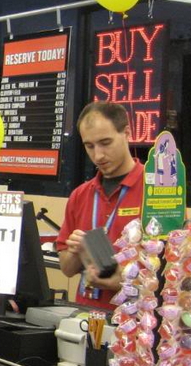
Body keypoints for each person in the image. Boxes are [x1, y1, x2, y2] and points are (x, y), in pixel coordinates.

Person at [56, 101, 142, 310]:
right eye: (90, 146)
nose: (98, 155)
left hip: (137, 327)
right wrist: (76, 250)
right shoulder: (80, 195)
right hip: (86, 316)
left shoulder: (155, 193)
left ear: (127, 133)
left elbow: (172, 272)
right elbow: (67, 269)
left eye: (105, 142)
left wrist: (125, 282)